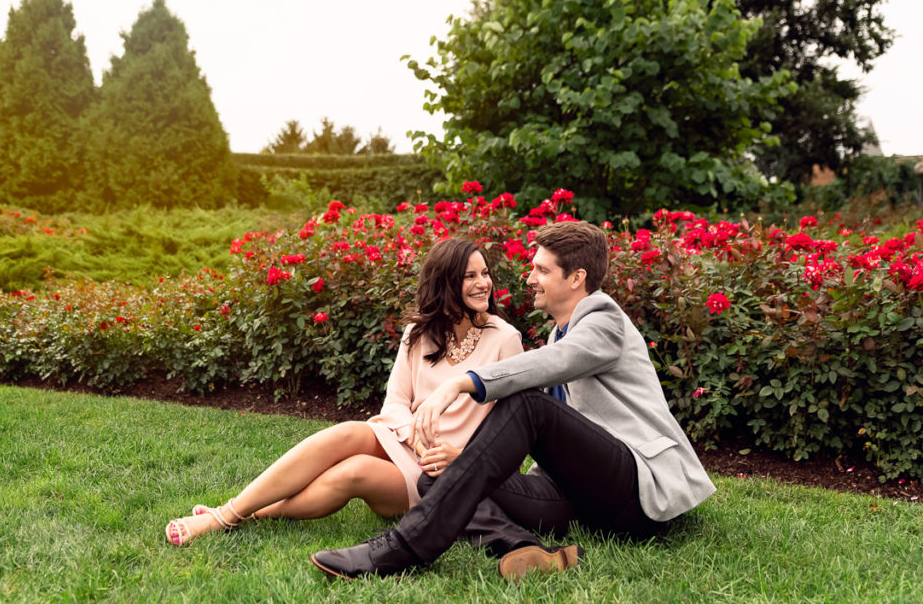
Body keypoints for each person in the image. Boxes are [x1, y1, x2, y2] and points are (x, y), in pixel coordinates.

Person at [310, 220, 717, 581]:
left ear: (576, 278)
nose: (528, 279)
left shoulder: (605, 319)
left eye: (541, 269)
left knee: (528, 404)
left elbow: (552, 365)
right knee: (437, 476)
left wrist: (459, 384)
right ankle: (522, 548)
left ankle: (407, 545)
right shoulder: (562, 332)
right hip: (578, 494)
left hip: (635, 489)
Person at [165, 238, 524, 546]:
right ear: (445, 282)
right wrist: (414, 438)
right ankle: (228, 514)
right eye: (470, 276)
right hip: (406, 440)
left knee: (354, 472)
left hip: (442, 468)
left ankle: (240, 514)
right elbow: (396, 402)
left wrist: (461, 454)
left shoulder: (505, 339)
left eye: (485, 274)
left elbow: (515, 428)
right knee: (349, 431)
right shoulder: (420, 331)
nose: (483, 284)